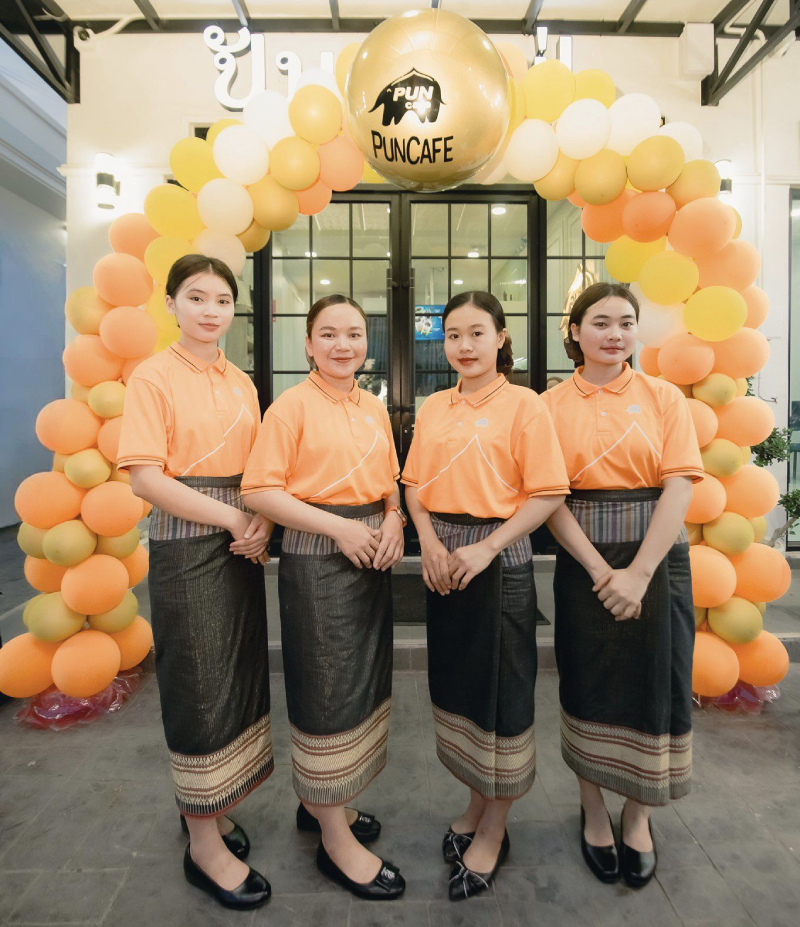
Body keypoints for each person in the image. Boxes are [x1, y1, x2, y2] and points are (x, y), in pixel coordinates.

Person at [117, 254, 273, 911]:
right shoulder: (153, 375)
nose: (211, 310)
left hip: (242, 544)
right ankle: (202, 842)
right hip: (187, 546)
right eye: (196, 297)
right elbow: (145, 478)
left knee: (236, 676)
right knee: (196, 686)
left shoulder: (242, 381)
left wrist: (262, 518)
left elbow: (262, 467)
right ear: (171, 305)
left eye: (222, 300)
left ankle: (215, 802)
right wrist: (234, 516)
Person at [402, 291, 570, 901]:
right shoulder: (434, 406)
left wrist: (486, 547)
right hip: (443, 562)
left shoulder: (526, 405)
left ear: (501, 337)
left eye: (477, 333)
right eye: (453, 335)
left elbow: (548, 492)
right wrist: (427, 542)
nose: (464, 346)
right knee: (461, 688)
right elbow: (414, 484)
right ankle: (476, 804)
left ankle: (495, 828)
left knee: (502, 696)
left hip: (498, 560)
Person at [241, 294, 406, 901]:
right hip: (318, 561)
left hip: (372, 558)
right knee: (325, 694)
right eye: (329, 334)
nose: (343, 345)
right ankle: (335, 842)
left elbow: (390, 484)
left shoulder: (373, 405)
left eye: (354, 334)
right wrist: (339, 528)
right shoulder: (290, 407)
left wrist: (394, 519)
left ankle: (321, 806)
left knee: (361, 687)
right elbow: (259, 491)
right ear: (308, 344)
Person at [541, 281, 704, 889]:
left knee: (656, 685)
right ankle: (592, 811)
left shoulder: (664, 397)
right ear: (575, 331)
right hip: (584, 564)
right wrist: (598, 570)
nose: (615, 334)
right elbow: (549, 496)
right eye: (601, 322)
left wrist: (638, 573)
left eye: (626, 323)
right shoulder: (549, 405)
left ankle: (638, 816)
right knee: (588, 681)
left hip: (657, 562)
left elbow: (679, 485)